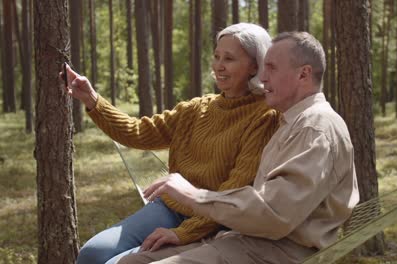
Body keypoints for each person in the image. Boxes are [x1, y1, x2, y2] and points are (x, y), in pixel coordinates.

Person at [117, 31, 360, 264]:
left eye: (272, 68)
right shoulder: (291, 121)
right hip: (246, 240)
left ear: (303, 74)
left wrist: (194, 195)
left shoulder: (314, 127)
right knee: (131, 261)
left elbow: (274, 214)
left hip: (277, 252)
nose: (263, 78)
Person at [63, 23, 279, 264]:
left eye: (229, 58)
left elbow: (234, 192)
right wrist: (92, 99)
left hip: (214, 221)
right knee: (91, 254)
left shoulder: (264, 116)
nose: (219, 65)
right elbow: (138, 132)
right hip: (169, 208)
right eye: (217, 56)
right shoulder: (196, 109)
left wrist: (183, 233)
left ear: (254, 65)